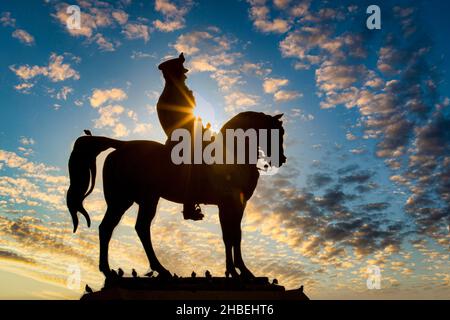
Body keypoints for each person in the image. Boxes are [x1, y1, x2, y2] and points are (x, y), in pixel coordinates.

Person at [156, 53, 204, 221]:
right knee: (194, 161)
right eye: (181, 73)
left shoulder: (178, 93)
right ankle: (189, 205)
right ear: (173, 75)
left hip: (190, 136)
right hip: (180, 139)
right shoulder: (171, 96)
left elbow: (190, 117)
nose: (185, 76)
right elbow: (179, 122)